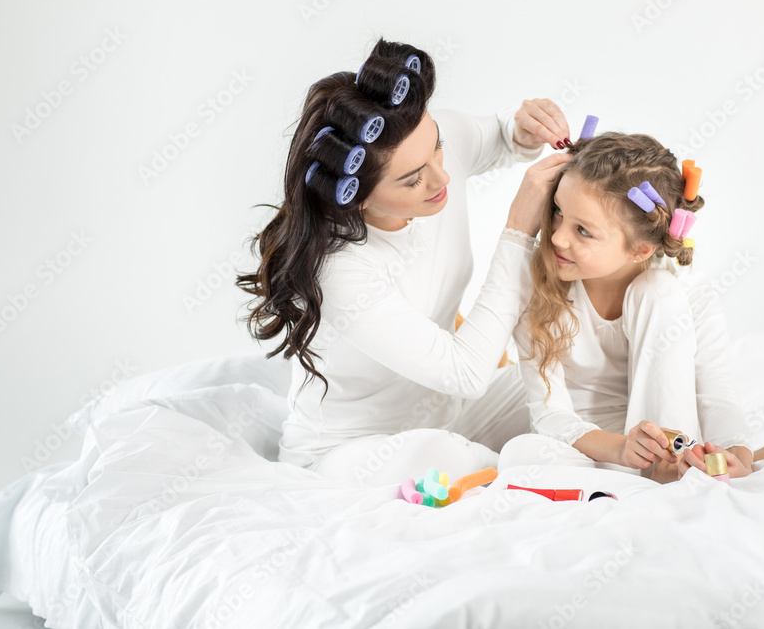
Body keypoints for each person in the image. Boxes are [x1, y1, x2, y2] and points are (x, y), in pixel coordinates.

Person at [236, 37, 572, 484]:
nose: (443, 174)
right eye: (413, 180)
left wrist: (525, 128)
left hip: (451, 418)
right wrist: (517, 233)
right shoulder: (339, 271)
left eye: (438, 147)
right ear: (356, 200)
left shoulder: (428, 146)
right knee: (440, 455)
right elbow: (467, 372)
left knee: (577, 386)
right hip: (346, 452)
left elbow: (503, 136)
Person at [498, 130, 764, 483]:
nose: (558, 237)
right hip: (581, 435)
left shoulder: (684, 293)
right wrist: (622, 449)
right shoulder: (539, 279)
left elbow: (715, 394)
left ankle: (686, 464)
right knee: (525, 455)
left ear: (640, 249)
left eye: (584, 231)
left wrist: (737, 453)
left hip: (640, 434)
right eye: (559, 212)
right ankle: (673, 468)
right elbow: (550, 416)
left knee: (658, 290)